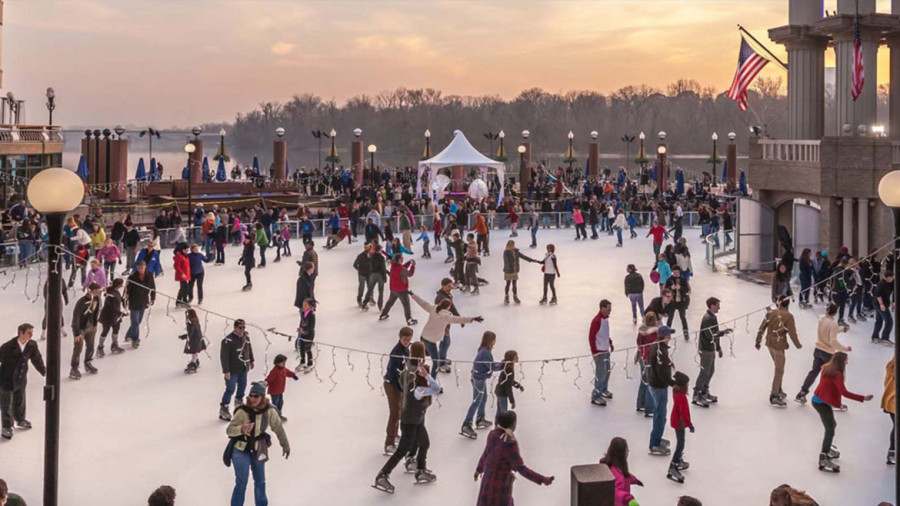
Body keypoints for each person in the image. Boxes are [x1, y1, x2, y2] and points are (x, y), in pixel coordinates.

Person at [374, 341, 441, 493]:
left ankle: (420, 470)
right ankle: (382, 475)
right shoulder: (419, 390)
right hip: (410, 421)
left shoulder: (410, 372)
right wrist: (428, 376)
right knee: (402, 450)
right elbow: (436, 388)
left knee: (424, 443)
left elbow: (401, 380)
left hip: (418, 419)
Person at [225, 381, 290, 506]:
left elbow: (278, 427)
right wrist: (241, 429)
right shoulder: (242, 411)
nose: (253, 399)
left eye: (256, 396)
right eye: (251, 395)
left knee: (260, 481)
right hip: (240, 449)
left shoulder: (269, 411)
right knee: (241, 482)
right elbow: (229, 430)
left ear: (263, 397)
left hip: (259, 448)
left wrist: (285, 444)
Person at [474, 410, 553, 506]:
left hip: (487, 481)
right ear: (513, 425)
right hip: (500, 486)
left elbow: (486, 453)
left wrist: (479, 469)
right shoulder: (509, 444)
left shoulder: (493, 434)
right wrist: (542, 479)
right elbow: (521, 468)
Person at [810, 352, 873, 472]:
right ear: (841, 362)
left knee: (832, 425)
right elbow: (845, 392)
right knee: (830, 429)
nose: (847, 362)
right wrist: (863, 398)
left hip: (818, 400)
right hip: (821, 404)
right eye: (846, 360)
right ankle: (823, 456)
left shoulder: (827, 368)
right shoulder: (837, 374)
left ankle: (827, 449)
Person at [410, 291, 481, 375]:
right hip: (430, 341)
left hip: (424, 336)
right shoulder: (446, 316)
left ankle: (415, 371)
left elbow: (422, 302)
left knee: (420, 357)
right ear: (448, 307)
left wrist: (412, 294)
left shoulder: (433, 308)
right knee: (435, 362)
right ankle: (433, 380)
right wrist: (473, 319)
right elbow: (459, 319)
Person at [794, 303, 850, 405]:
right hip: (828, 353)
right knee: (834, 377)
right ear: (836, 312)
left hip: (818, 349)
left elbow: (828, 329)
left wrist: (841, 329)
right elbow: (833, 341)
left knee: (814, 372)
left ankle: (802, 392)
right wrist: (845, 348)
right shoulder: (833, 324)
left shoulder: (822, 318)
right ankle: (833, 400)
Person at [0, 323, 45, 440]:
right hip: (6, 379)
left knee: (20, 400)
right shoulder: (8, 346)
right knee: (6, 404)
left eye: (32, 333)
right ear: (21, 333)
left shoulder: (31, 345)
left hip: (20, 378)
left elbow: (37, 359)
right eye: (29, 333)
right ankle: (7, 426)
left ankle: (20, 419)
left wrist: (44, 371)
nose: (31, 335)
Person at [756, 296, 802, 407]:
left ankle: (779, 389)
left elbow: (762, 327)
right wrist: (798, 345)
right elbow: (792, 333)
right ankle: (774, 395)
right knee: (779, 370)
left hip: (769, 344)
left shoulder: (770, 313)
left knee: (778, 367)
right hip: (778, 345)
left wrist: (758, 340)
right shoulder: (789, 316)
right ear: (788, 304)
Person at [461, 331, 504, 439]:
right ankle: (466, 424)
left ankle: (480, 418)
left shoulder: (484, 350)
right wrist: (504, 364)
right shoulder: (485, 352)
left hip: (480, 378)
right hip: (478, 380)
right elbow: (492, 367)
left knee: (483, 398)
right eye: (494, 339)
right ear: (490, 340)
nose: (495, 342)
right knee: (476, 401)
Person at [694, 297, 731, 407]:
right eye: (718, 305)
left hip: (710, 348)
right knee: (705, 372)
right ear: (712, 305)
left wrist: (718, 348)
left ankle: (705, 392)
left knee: (710, 371)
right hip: (705, 349)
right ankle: (697, 394)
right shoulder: (708, 319)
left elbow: (714, 335)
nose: (719, 307)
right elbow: (710, 334)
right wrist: (723, 332)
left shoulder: (712, 317)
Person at [382, 327, 412, 455]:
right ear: (400, 337)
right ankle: (389, 443)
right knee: (395, 413)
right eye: (404, 339)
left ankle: (394, 434)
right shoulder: (396, 352)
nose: (406, 341)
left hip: (399, 384)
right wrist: (400, 388)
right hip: (392, 384)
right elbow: (392, 372)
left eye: (408, 339)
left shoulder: (405, 349)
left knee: (400, 410)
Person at [648, 326, 676, 456]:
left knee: (659, 414)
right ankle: (655, 444)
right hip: (659, 386)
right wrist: (672, 383)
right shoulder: (660, 350)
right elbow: (662, 372)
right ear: (665, 336)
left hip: (655, 384)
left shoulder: (657, 346)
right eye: (669, 334)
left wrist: (668, 362)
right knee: (660, 415)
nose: (670, 337)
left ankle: (657, 438)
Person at [219, 319, 255, 422]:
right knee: (230, 388)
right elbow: (224, 357)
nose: (242, 330)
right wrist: (226, 371)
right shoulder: (227, 341)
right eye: (240, 328)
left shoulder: (245, 337)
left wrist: (251, 360)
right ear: (235, 328)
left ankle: (239, 402)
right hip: (232, 370)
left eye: (243, 327)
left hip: (243, 367)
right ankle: (224, 407)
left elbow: (249, 348)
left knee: (242, 385)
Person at [70, 282, 102, 380]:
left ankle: (88, 362)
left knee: (91, 346)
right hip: (80, 328)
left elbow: (96, 312)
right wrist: (76, 333)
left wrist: (95, 324)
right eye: (96, 291)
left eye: (98, 291)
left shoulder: (97, 299)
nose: (97, 293)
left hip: (90, 327)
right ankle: (74, 368)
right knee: (78, 348)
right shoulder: (81, 302)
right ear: (89, 291)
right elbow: (76, 317)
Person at [599, 437, 642, 506]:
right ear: (621, 453)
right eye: (627, 450)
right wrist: (628, 499)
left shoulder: (612, 466)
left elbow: (626, 476)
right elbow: (615, 491)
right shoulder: (616, 473)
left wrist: (634, 480)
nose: (628, 452)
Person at [667, 371, 694, 483]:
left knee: (681, 442)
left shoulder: (676, 391)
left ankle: (678, 460)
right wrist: (690, 425)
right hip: (679, 422)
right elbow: (684, 414)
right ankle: (673, 465)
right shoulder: (681, 397)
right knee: (681, 443)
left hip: (676, 420)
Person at [378, 254, 417, 326]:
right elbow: (410, 274)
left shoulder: (393, 266)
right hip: (402, 290)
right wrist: (413, 266)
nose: (402, 260)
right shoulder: (401, 269)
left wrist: (408, 263)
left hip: (393, 289)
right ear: (398, 260)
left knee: (390, 302)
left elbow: (402, 267)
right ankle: (409, 319)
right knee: (406, 304)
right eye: (401, 259)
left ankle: (383, 314)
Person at [589, 300, 614, 406]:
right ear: (602, 308)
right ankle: (596, 395)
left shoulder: (605, 320)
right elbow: (591, 337)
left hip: (605, 350)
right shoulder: (596, 321)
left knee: (607, 371)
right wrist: (594, 353)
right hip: (599, 352)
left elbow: (604, 334)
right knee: (600, 374)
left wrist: (610, 343)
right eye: (608, 308)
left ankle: (603, 389)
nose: (610, 311)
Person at [97, 278, 126, 358]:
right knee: (105, 331)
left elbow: (119, 300)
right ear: (119, 285)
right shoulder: (111, 294)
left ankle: (114, 345)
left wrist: (124, 301)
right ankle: (100, 347)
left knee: (116, 330)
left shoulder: (116, 291)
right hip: (108, 316)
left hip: (115, 316)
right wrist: (122, 313)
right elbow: (112, 307)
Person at [502, 240, 538, 305]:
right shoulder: (506, 252)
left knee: (514, 284)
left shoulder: (516, 251)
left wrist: (532, 260)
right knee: (508, 284)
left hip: (514, 270)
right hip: (508, 270)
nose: (513, 246)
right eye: (512, 244)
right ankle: (506, 296)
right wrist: (510, 269)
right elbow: (506, 261)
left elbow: (523, 257)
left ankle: (515, 296)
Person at [265, 354, 298, 421]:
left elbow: (288, 372)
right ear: (277, 363)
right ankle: (274, 417)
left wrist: (293, 375)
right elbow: (269, 379)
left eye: (284, 362)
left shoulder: (283, 369)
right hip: (274, 392)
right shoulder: (274, 371)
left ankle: (278, 415)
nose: (284, 364)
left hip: (280, 391)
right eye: (282, 362)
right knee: (275, 404)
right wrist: (264, 384)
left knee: (280, 403)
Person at [494, 350, 523, 423]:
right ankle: (501, 429)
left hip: (499, 392)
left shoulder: (506, 368)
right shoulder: (508, 370)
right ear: (511, 358)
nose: (518, 358)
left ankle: (496, 428)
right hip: (502, 394)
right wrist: (512, 401)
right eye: (516, 357)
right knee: (504, 414)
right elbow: (508, 387)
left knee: (500, 412)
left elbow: (509, 381)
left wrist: (518, 385)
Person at [664, 266, 691, 340]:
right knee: (670, 318)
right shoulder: (669, 280)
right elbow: (665, 290)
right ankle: (667, 332)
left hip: (681, 302)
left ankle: (685, 332)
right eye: (674, 272)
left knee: (683, 318)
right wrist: (670, 288)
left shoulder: (683, 279)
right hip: (672, 302)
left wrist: (681, 288)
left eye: (677, 272)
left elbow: (687, 290)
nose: (675, 274)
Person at [872, 271, 895, 345]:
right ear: (888, 277)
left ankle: (875, 337)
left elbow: (887, 294)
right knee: (889, 321)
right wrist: (881, 304)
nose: (892, 279)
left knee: (879, 320)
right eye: (891, 278)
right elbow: (878, 295)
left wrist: (891, 302)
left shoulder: (890, 283)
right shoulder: (881, 284)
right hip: (879, 304)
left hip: (884, 303)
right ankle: (885, 338)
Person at [181, 309, 205, 374]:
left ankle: (193, 363)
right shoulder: (196, 322)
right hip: (198, 339)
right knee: (195, 351)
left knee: (194, 351)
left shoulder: (191, 323)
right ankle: (195, 360)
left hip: (194, 340)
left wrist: (183, 336)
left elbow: (190, 333)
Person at [294, 299, 316, 371]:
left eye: (305, 305)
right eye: (303, 305)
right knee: (302, 348)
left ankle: (310, 364)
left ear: (310, 306)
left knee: (308, 349)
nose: (303, 306)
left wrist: (303, 330)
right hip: (303, 333)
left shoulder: (312, 315)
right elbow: (301, 322)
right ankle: (302, 362)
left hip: (309, 334)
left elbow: (311, 327)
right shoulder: (303, 313)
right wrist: (300, 328)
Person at [173, 243, 191, 307]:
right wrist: (181, 273)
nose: (188, 251)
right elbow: (176, 266)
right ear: (183, 250)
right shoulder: (179, 256)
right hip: (181, 275)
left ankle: (178, 301)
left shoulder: (185, 255)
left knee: (183, 288)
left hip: (185, 274)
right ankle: (184, 301)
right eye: (187, 249)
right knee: (185, 288)